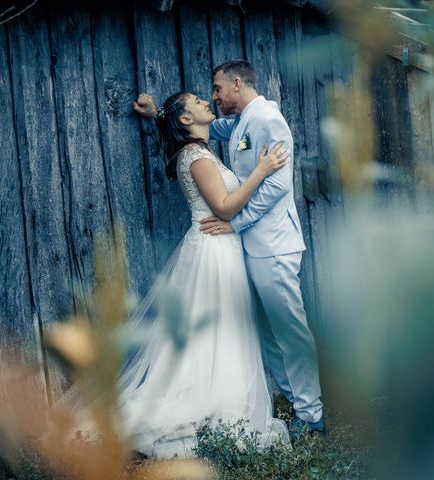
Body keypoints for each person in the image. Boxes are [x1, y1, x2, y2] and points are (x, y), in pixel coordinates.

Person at [133, 60, 325, 439]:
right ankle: (295, 402)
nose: (214, 97)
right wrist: (160, 113)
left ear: (237, 85)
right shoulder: (236, 123)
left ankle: (312, 413)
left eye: (218, 90)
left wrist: (234, 222)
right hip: (241, 250)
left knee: (289, 327)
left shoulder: (268, 121)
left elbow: (277, 187)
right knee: (267, 331)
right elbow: (189, 130)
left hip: (271, 244)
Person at [119, 91, 291, 457]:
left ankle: (220, 397)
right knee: (217, 329)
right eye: (198, 101)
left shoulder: (199, 148)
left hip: (216, 247)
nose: (206, 103)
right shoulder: (196, 156)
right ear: (185, 119)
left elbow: (181, 124)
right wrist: (261, 170)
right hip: (213, 249)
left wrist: (155, 115)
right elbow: (224, 207)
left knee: (217, 330)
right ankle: (215, 404)